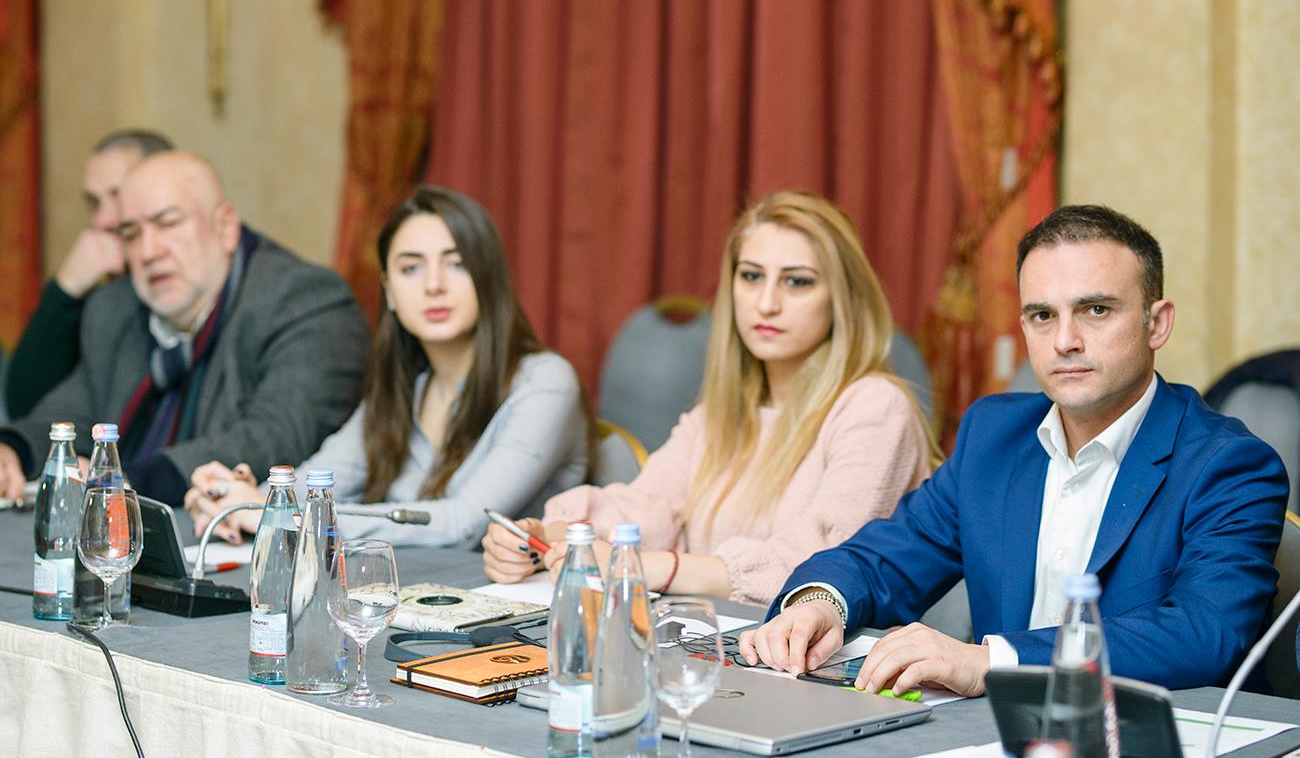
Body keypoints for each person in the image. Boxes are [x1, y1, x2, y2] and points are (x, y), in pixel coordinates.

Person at [740, 204, 1288, 695]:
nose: (1065, 340)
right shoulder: (993, 435)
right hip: (992, 734)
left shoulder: (1230, 465)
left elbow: (1204, 633)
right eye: (1043, 315)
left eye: (1096, 310)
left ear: (1157, 324)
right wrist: (821, 601)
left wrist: (993, 661)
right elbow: (888, 556)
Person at [482, 190, 940, 605]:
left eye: (797, 282)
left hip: (825, 659)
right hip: (713, 644)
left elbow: (824, 566)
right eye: (751, 276)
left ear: (842, 299)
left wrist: (645, 567)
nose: (766, 303)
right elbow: (647, 508)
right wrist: (552, 537)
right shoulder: (720, 414)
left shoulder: (876, 407)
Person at [183, 186, 591, 549]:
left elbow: (464, 523)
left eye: (456, 263)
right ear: (389, 291)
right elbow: (314, 485)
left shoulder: (545, 382)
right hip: (401, 594)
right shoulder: (407, 390)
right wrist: (230, 499)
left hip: (504, 606)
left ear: (488, 279)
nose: (433, 285)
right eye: (411, 268)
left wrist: (279, 516)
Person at [0, 151, 370, 504]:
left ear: (225, 227)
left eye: (168, 223)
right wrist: (13, 451)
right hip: (116, 524)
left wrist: (126, 481)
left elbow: (276, 436)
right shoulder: (116, 306)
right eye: (132, 234)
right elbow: (73, 412)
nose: (149, 251)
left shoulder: (306, 299)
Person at [4, 129, 174, 419]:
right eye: (94, 203)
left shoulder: (185, 281)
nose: (102, 220)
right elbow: (26, 408)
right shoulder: (105, 300)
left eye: (117, 195)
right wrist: (66, 289)